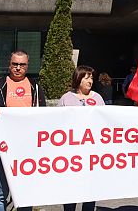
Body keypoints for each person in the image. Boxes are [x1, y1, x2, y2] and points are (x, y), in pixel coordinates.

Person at [0, 50, 46, 211]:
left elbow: (43, 117)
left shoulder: (36, 88)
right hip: (2, 150)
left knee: (25, 194)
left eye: (22, 64)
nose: (18, 68)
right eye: (15, 64)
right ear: (9, 65)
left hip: (28, 150)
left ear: (27, 66)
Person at [58, 65, 105, 211]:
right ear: (78, 78)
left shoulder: (97, 97)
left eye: (91, 77)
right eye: (87, 77)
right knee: (71, 189)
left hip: (92, 152)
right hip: (72, 153)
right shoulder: (66, 98)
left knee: (90, 189)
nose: (90, 81)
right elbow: (57, 123)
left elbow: (106, 120)